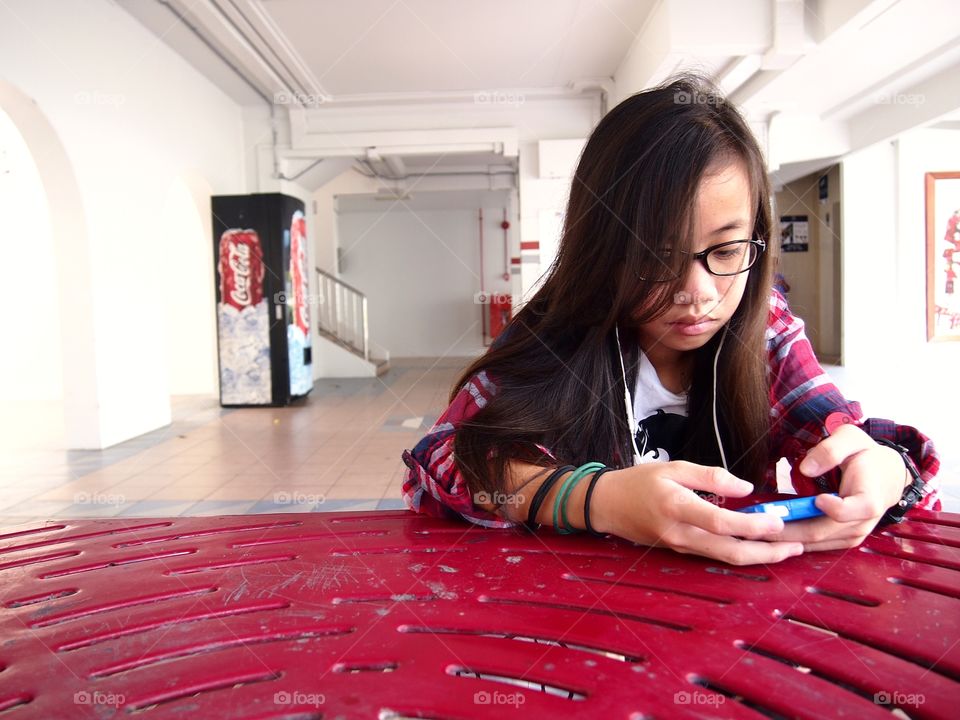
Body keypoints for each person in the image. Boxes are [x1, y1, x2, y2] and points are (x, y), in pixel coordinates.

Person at [401, 74, 940, 566]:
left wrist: (884, 470)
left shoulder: (762, 324)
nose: (697, 294)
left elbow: (831, 427)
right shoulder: (559, 327)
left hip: (722, 628)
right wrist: (598, 500)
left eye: (726, 250)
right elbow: (443, 463)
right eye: (654, 257)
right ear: (603, 252)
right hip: (573, 617)